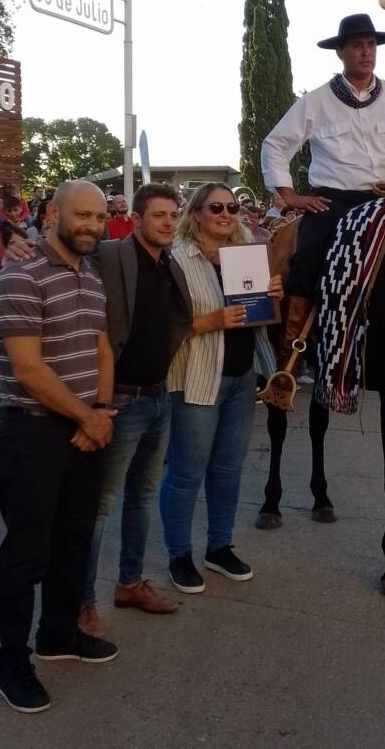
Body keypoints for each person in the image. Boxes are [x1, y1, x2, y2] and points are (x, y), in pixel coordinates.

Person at [0, 180, 118, 714]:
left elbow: (101, 349)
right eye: (81, 214)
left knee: (74, 541)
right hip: (31, 432)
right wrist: (87, 415)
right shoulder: (20, 276)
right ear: (53, 214)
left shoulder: (90, 275)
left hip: (87, 428)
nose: (91, 224)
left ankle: (59, 634)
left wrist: (100, 415)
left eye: (99, 217)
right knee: (27, 553)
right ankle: (11, 662)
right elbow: (28, 370)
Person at [260, 12, 385, 371]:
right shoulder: (317, 100)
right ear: (341, 52)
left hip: (383, 202)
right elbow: (275, 145)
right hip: (332, 201)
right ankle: (289, 359)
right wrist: (289, 195)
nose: (366, 52)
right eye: (357, 45)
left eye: (371, 45)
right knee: (306, 259)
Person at [79, 183, 193, 637]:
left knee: (143, 497)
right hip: (119, 400)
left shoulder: (170, 263)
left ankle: (129, 582)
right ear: (138, 218)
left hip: (158, 395)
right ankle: (82, 601)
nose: (167, 222)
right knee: (99, 506)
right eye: (159, 215)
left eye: (172, 214)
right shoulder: (108, 256)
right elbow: (69, 264)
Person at [159, 182, 282, 593]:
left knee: (228, 470)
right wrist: (210, 322)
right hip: (196, 378)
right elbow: (161, 327)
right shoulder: (176, 260)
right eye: (216, 207)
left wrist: (272, 297)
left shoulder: (245, 257)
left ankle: (219, 546)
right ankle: (179, 554)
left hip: (241, 378)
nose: (226, 213)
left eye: (232, 206)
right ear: (195, 214)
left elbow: (259, 319)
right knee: (186, 473)